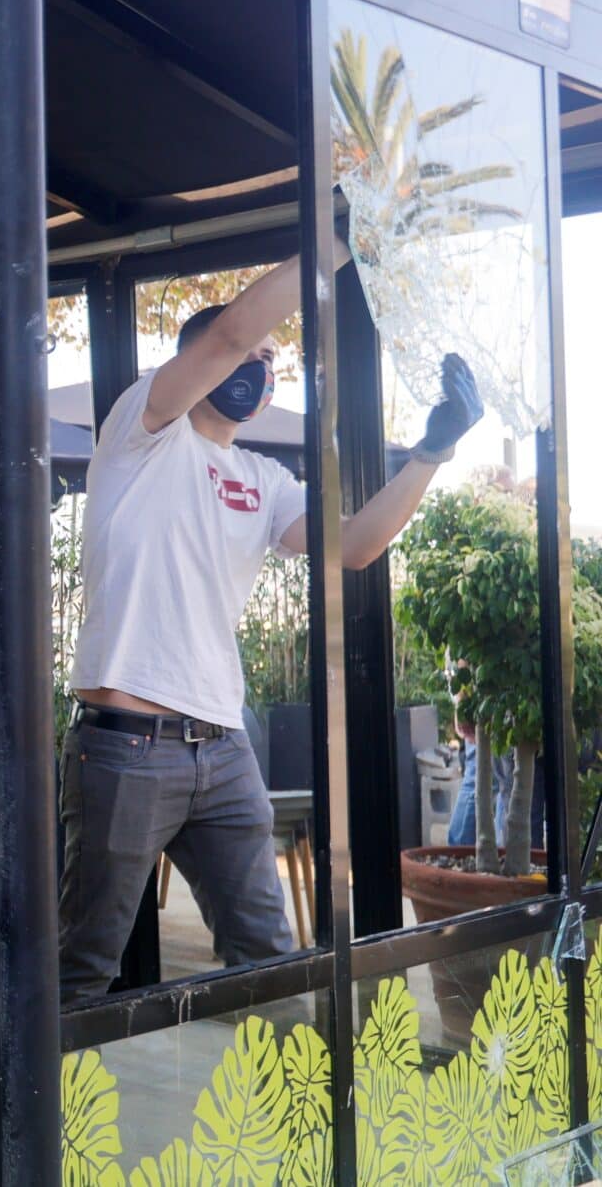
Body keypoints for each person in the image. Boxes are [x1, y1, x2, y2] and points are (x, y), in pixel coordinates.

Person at [59, 250, 484, 1004]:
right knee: (81, 969)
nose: (258, 366)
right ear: (195, 361)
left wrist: (433, 451)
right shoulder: (143, 425)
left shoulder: (264, 481)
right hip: (125, 745)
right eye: (249, 353)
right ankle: (43, 1122)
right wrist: (334, 238)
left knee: (271, 965)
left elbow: (355, 546)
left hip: (222, 751)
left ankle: (290, 1117)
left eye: (270, 361)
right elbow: (225, 335)